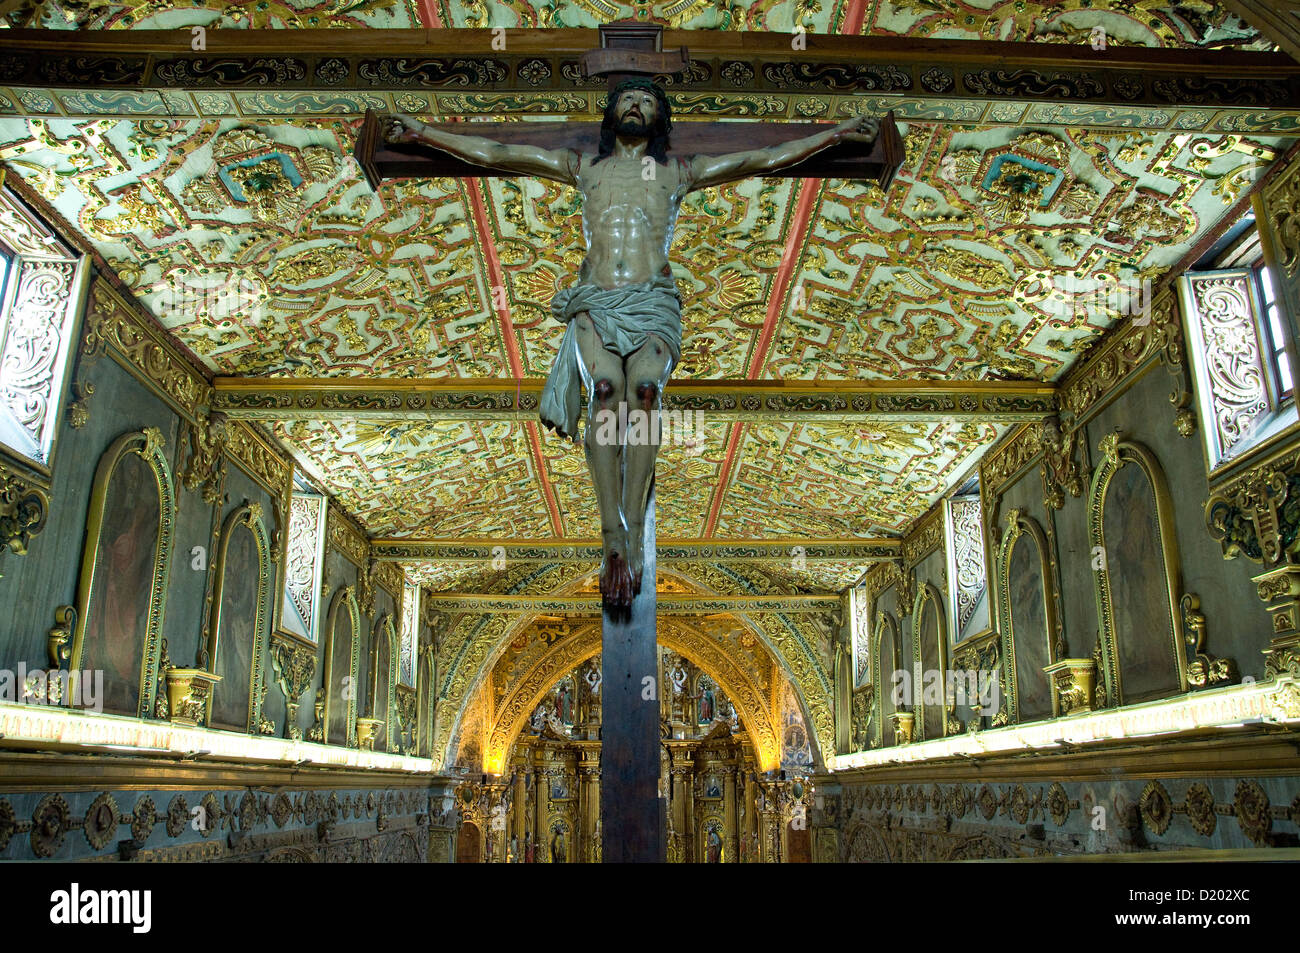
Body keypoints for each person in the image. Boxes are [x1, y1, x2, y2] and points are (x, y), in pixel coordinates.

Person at [390, 84, 878, 611]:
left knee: (644, 393)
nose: (635, 106)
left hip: (652, 302)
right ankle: (612, 533)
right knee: (605, 391)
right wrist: (419, 133)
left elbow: (761, 159)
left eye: (647, 101)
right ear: (612, 112)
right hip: (598, 300)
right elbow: (501, 154)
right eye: (628, 99)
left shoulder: (676, 174)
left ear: (659, 118)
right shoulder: (585, 169)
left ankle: (632, 520)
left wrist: (838, 134)